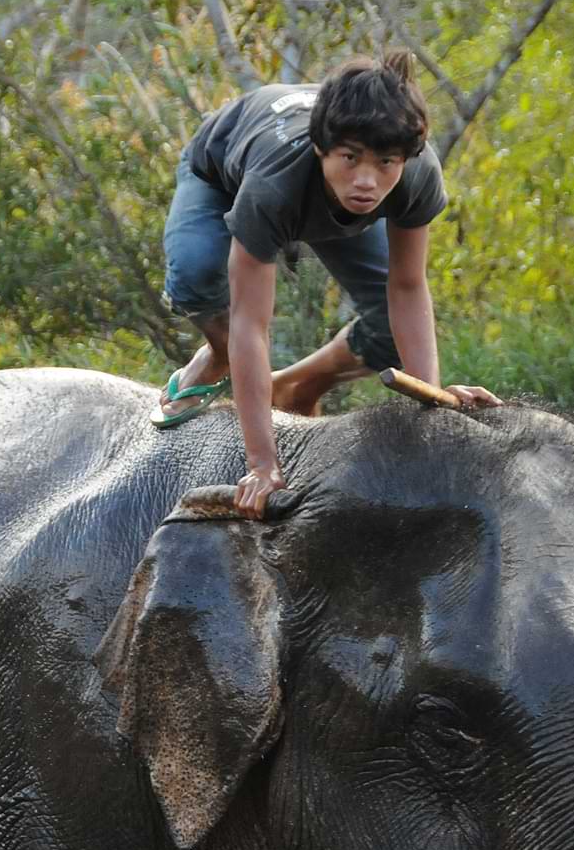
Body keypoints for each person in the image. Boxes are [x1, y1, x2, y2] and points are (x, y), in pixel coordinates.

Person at [154, 50, 500, 518]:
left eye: (385, 163)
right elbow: (252, 324)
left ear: (405, 158)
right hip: (221, 176)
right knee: (196, 276)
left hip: (323, 208)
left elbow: (407, 288)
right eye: (350, 158)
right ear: (322, 148)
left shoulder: (415, 174)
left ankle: (296, 387)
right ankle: (215, 355)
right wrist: (262, 465)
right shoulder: (275, 184)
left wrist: (432, 401)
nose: (366, 180)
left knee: (387, 331)